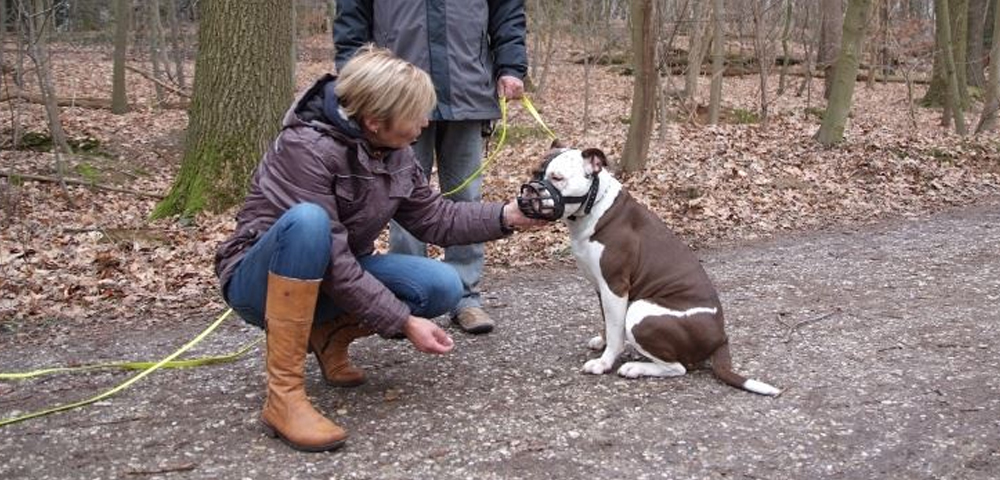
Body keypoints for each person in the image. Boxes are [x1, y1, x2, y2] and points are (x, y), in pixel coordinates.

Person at [214, 47, 544, 452]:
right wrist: (403, 322)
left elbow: (434, 218)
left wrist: (508, 216)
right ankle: (283, 397)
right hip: (260, 282)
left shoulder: (393, 149)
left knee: (442, 285)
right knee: (308, 222)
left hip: (336, 274)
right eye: (417, 115)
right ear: (374, 121)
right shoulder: (305, 148)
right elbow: (333, 261)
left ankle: (328, 333)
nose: (425, 122)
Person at [334, 0, 527, 334]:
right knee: (400, 197)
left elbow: (507, 11)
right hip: (394, 94)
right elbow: (351, 19)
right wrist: (355, 80)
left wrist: (511, 66)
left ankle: (466, 298)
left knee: (466, 195)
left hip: (469, 85)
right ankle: (407, 299)